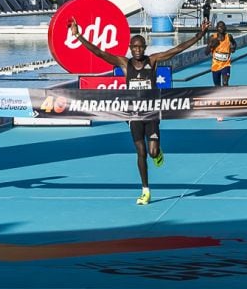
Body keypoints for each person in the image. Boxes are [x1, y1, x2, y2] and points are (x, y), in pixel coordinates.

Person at [69, 17, 210, 205]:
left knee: (152, 152)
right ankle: (145, 190)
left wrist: (200, 34)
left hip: (151, 114)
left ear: (145, 48)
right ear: (129, 48)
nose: (137, 50)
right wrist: (78, 35)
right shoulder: (123, 63)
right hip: (134, 116)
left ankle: (158, 152)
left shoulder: (152, 61)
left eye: (140, 47)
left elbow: (176, 50)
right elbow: (99, 52)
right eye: (134, 47)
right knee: (141, 152)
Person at [206, 21, 237, 86]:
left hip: (226, 65)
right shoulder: (212, 38)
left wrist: (233, 48)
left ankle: (226, 96)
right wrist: (211, 45)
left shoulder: (229, 36)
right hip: (215, 66)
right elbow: (206, 52)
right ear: (217, 28)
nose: (221, 28)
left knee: (225, 83)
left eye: (223, 26)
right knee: (217, 86)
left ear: (225, 27)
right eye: (220, 26)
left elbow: (234, 43)